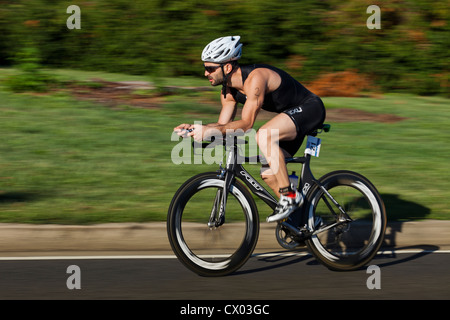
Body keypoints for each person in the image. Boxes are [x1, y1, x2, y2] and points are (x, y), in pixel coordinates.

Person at [174, 36, 326, 223]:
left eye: (210, 68)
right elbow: (222, 126)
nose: (206, 73)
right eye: (205, 68)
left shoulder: (256, 78)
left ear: (227, 67)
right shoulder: (228, 92)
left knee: (264, 134)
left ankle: (290, 197)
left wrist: (208, 131)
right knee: (269, 173)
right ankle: (303, 222)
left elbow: (246, 124)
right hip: (289, 118)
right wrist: (197, 129)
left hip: (310, 108)